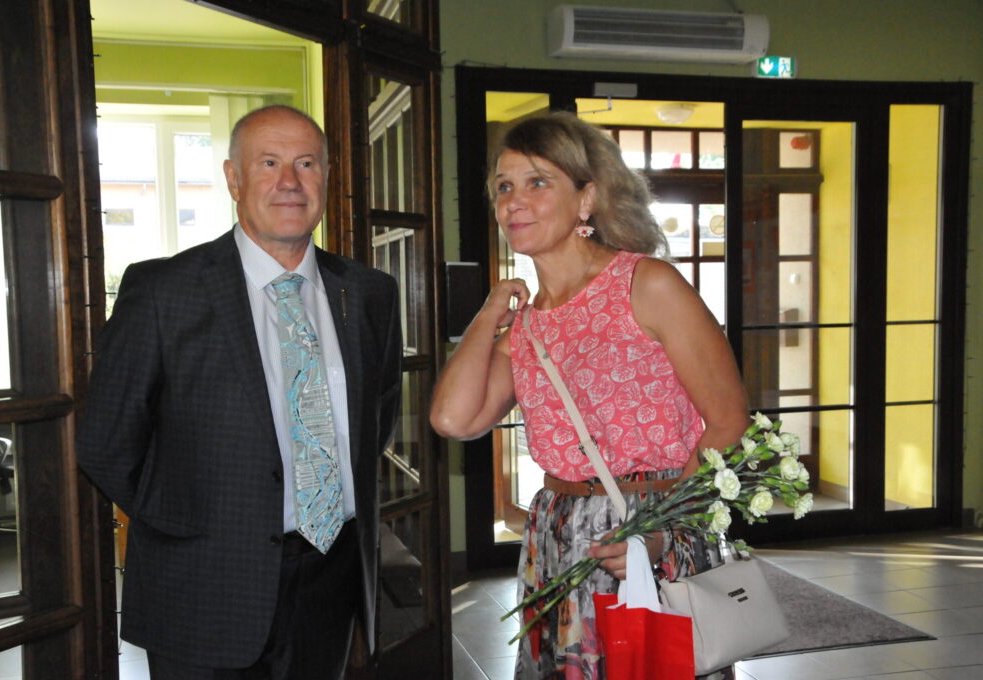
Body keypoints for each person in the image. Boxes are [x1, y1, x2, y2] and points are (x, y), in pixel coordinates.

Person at [76, 105, 402, 680]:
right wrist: (190, 523)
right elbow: (106, 443)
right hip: (205, 585)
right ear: (233, 178)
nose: (289, 182)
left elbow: (377, 416)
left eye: (306, 163)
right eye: (268, 163)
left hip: (329, 582)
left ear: (327, 176)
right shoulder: (163, 290)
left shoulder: (369, 292)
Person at [429, 112, 749, 680]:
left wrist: (664, 532)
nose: (514, 202)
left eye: (537, 182)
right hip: (557, 535)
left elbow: (728, 421)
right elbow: (454, 419)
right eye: (504, 187)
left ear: (587, 199)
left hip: (648, 526)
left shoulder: (647, 284)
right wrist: (488, 313)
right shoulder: (527, 324)